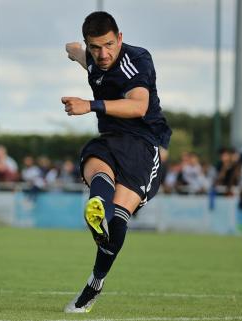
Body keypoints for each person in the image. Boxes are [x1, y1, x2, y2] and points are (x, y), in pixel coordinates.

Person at [62, 11, 171, 313]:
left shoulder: (137, 59)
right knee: (94, 160)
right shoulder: (96, 61)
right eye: (95, 47)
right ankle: (97, 204)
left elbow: (139, 106)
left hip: (143, 145)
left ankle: (95, 282)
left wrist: (90, 105)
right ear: (89, 44)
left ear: (120, 37)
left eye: (109, 44)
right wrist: (75, 52)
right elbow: (76, 50)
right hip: (110, 138)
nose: (103, 53)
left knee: (118, 220)